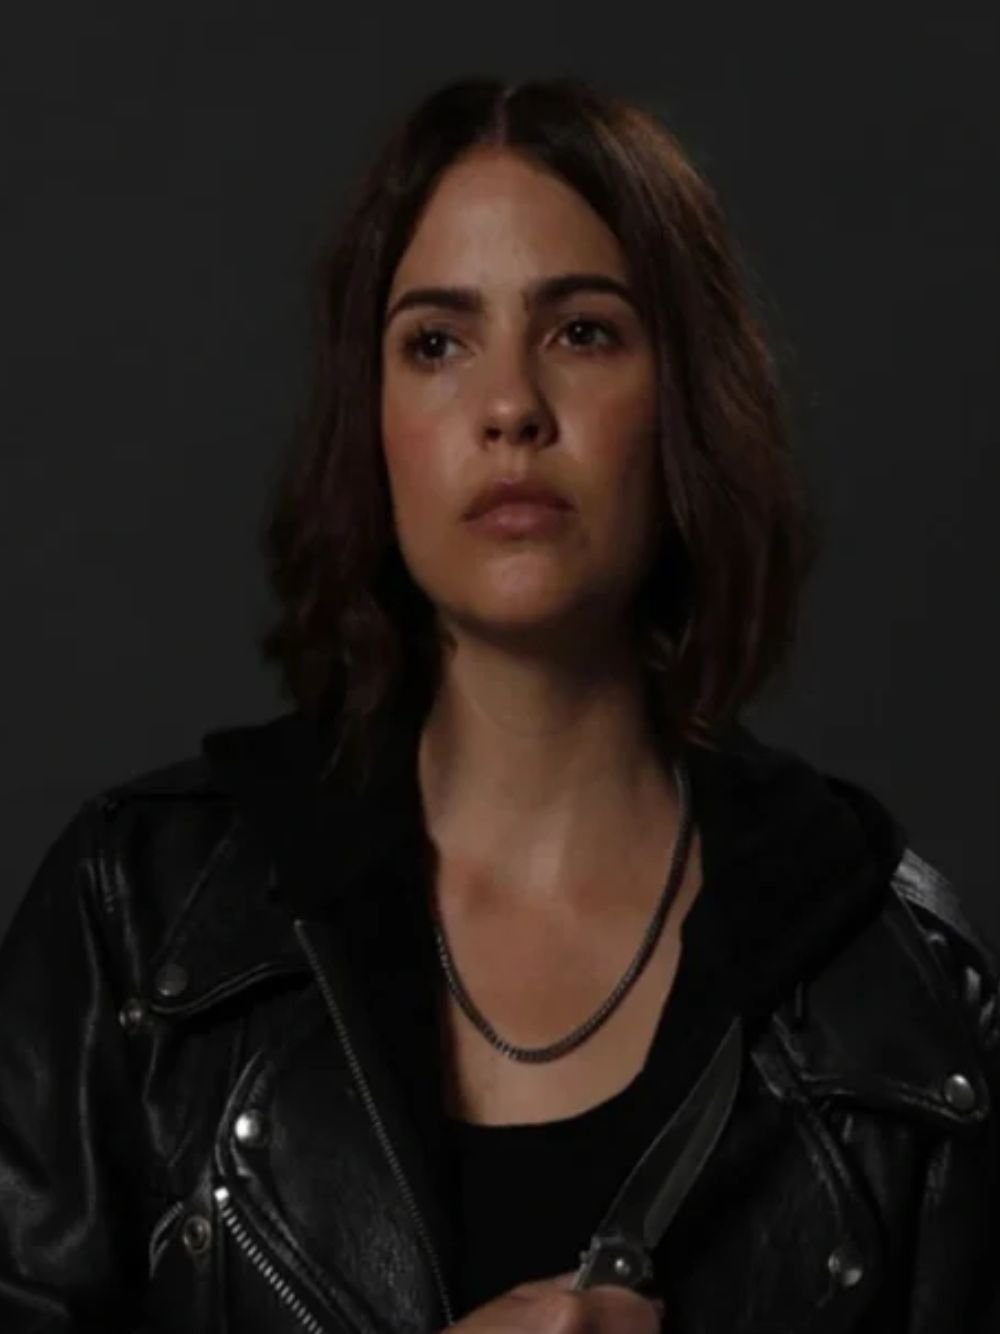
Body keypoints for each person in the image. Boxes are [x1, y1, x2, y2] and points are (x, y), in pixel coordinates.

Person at [0, 74, 996, 1334]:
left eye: (582, 331)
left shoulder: (895, 974)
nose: (511, 405)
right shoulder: (137, 918)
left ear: (682, 400)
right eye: (436, 342)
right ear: (372, 422)